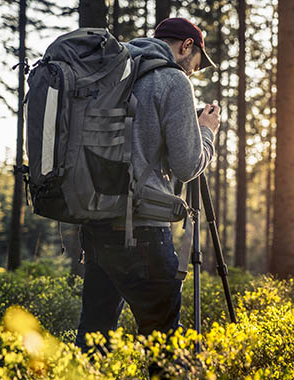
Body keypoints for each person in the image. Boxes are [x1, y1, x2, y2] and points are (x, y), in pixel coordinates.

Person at [75, 18, 220, 353]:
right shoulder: (173, 80)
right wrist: (207, 131)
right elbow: (187, 167)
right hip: (142, 230)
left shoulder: (113, 73)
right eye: (196, 64)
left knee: (94, 337)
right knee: (166, 342)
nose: (193, 72)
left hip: (95, 223)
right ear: (187, 46)